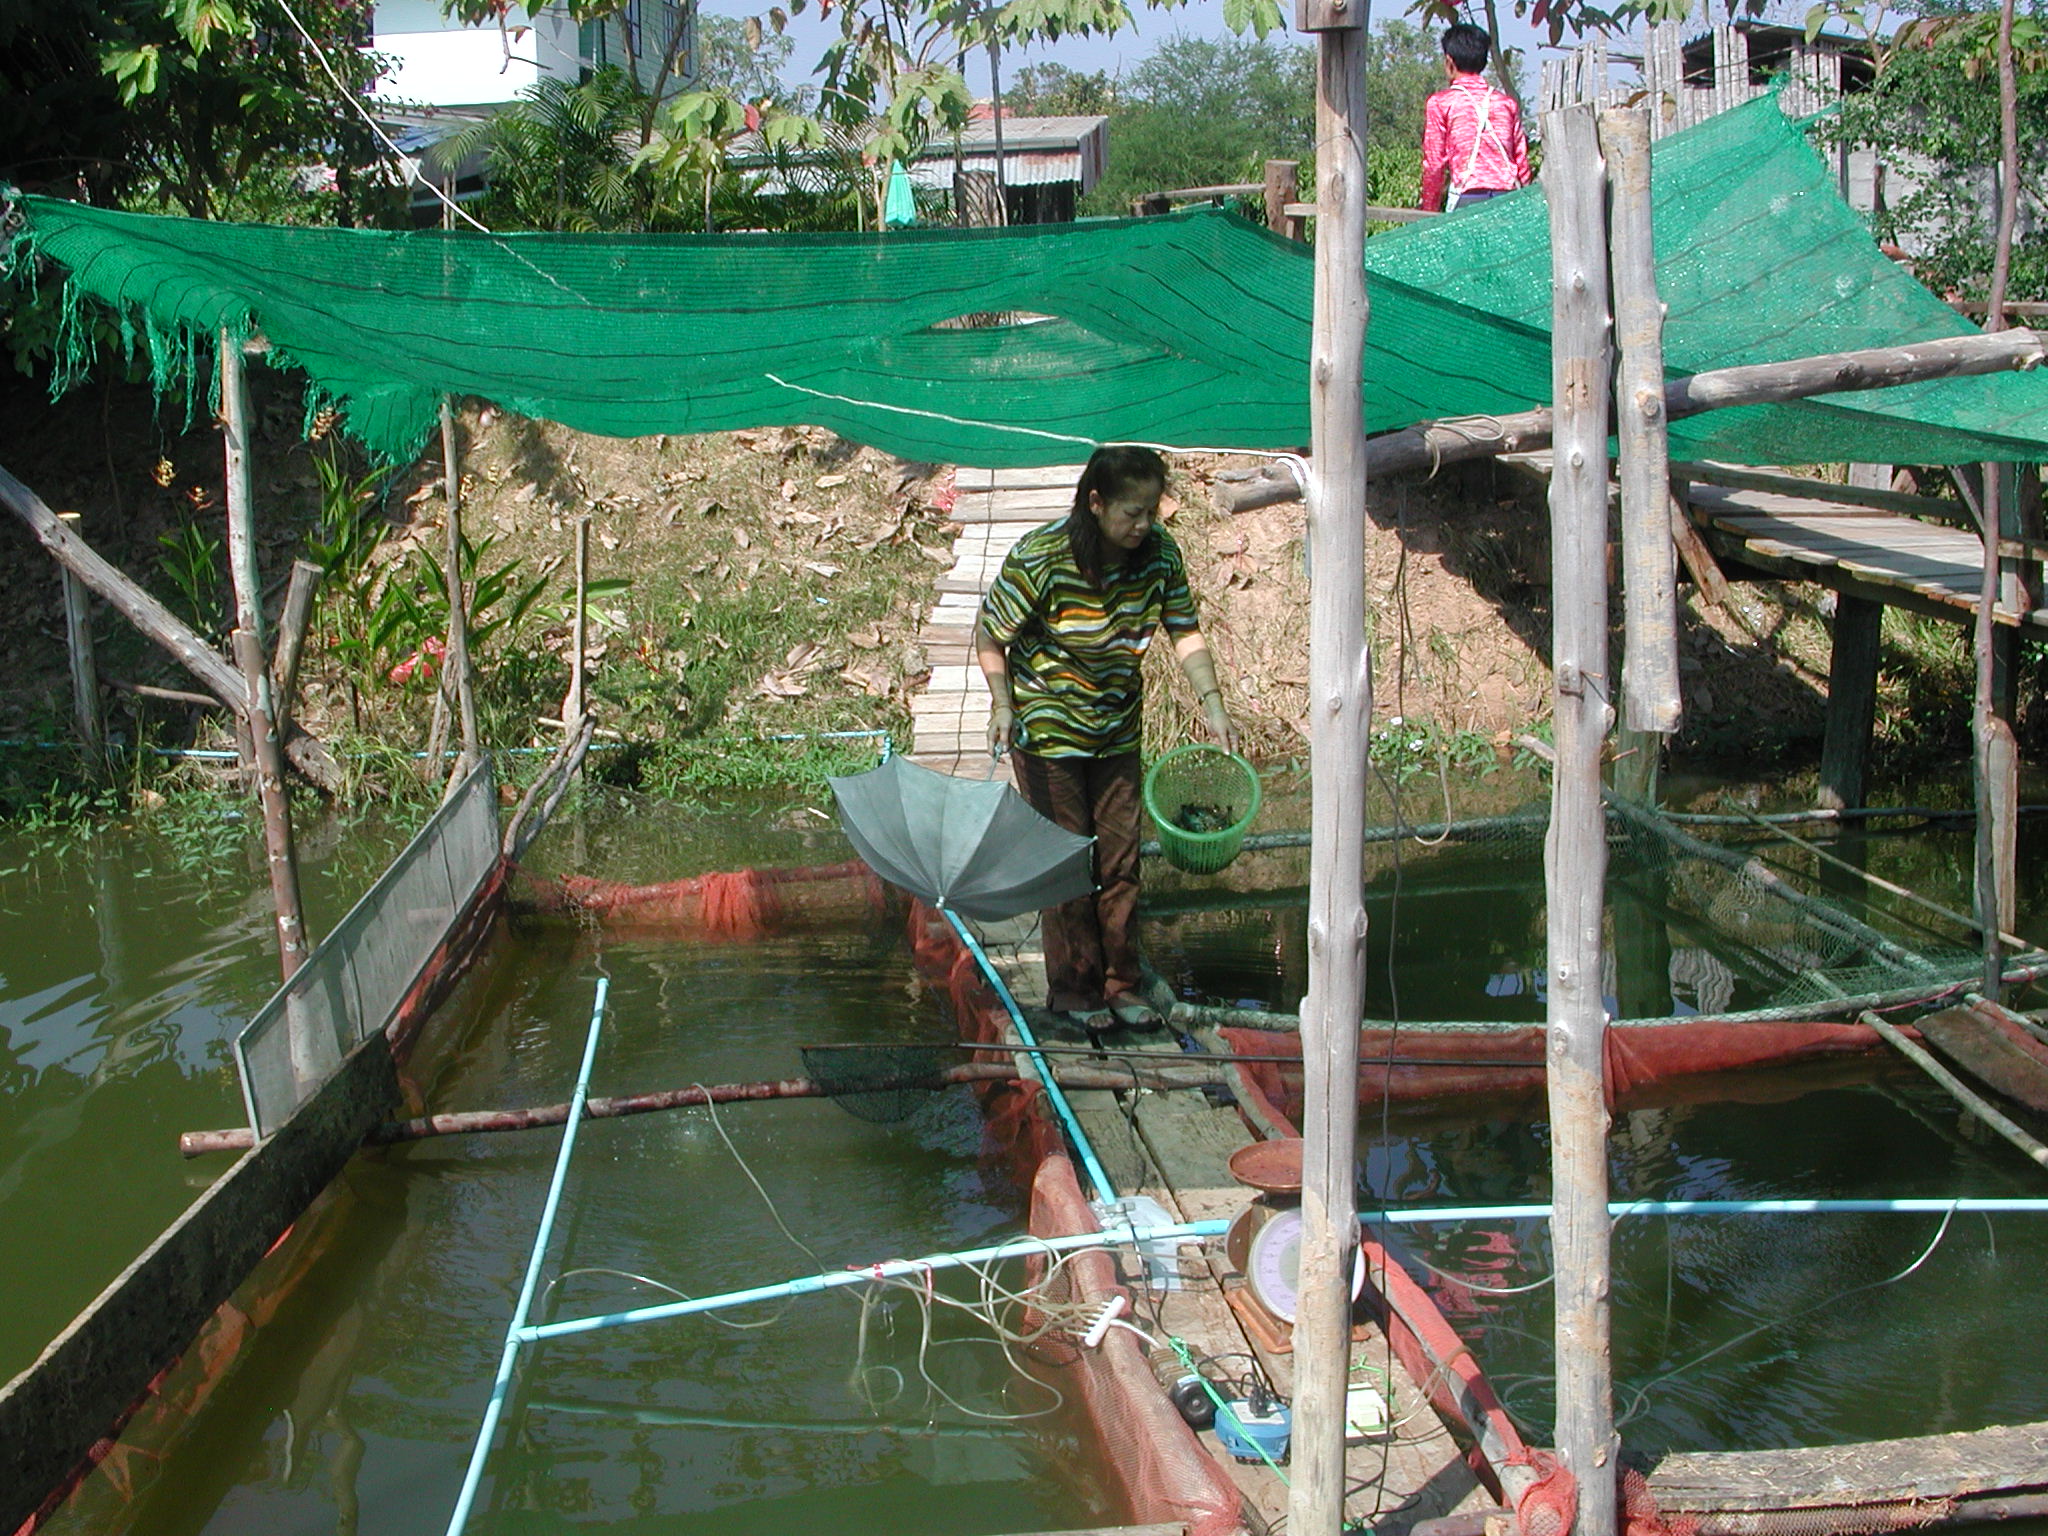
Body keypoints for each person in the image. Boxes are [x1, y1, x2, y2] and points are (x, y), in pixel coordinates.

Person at [973, 446, 1235, 1033]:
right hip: (1047, 730)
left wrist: (1212, 702)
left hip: (1116, 727)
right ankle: (1073, 989)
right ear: (1095, 503)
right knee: (1069, 864)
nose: (1143, 525)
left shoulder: (1159, 554)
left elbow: (1184, 630)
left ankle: (1122, 984)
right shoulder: (1043, 557)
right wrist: (1002, 702)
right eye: (1131, 513)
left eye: (1151, 511)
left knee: (1119, 861)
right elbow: (990, 634)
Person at [1420, 23, 1532, 214]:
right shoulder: (1506, 104)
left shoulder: (1441, 103)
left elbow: (1435, 164)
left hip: (1468, 197)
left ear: (1449, 62)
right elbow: (1521, 162)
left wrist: (1428, 209)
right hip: (1508, 200)